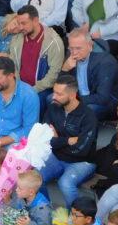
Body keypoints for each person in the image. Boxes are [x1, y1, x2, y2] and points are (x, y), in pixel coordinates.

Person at [41, 75, 98, 206]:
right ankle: (44, 209)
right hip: (56, 157)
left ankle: (74, 216)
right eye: (54, 92)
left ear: (72, 95)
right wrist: (67, 141)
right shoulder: (53, 107)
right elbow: (45, 138)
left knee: (65, 184)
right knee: (35, 177)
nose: (53, 97)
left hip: (82, 162)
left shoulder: (88, 116)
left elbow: (81, 150)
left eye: (59, 94)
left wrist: (56, 140)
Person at [61, 28, 118, 122]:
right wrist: (64, 69)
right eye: (71, 48)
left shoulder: (106, 62)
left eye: (78, 48)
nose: (74, 52)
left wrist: (74, 100)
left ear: (90, 46)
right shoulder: (70, 56)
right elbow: (60, 87)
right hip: (80, 97)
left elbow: (103, 98)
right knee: (52, 99)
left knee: (88, 110)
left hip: (107, 103)